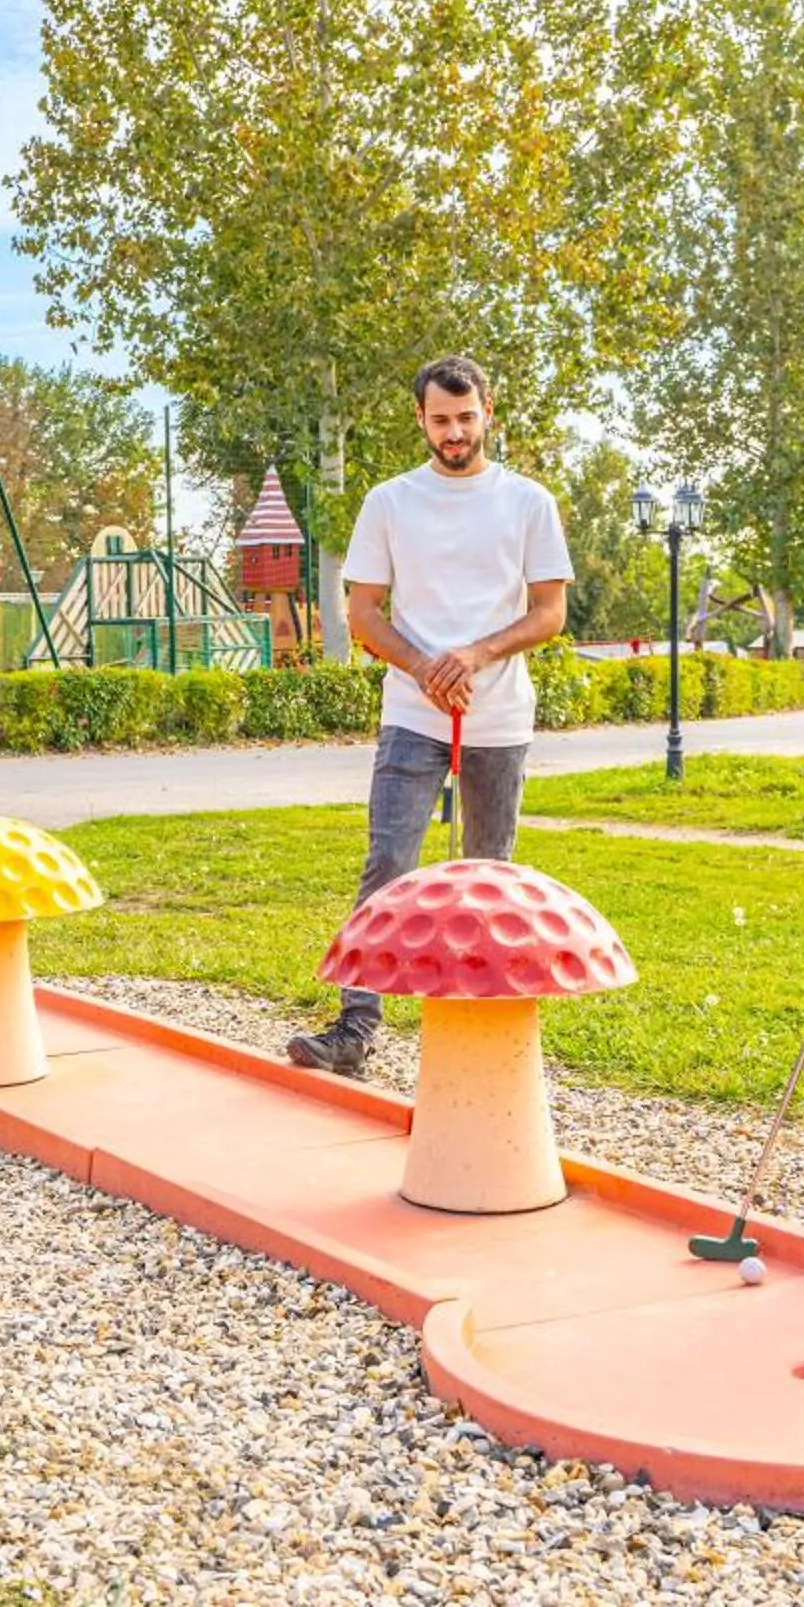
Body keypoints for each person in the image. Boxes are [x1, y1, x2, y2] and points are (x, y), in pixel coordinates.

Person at [287, 356, 571, 1076]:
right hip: (414, 713)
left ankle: (480, 1030)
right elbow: (362, 614)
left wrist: (474, 654)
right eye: (440, 420)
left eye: (465, 418)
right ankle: (355, 1027)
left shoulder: (528, 501)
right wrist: (425, 668)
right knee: (388, 862)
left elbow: (550, 612)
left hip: (499, 715)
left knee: (487, 872)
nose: (454, 432)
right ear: (420, 418)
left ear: (488, 413)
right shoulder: (389, 502)